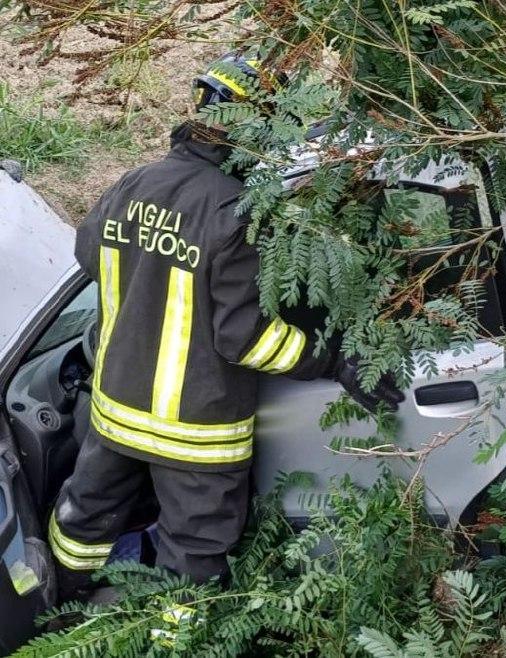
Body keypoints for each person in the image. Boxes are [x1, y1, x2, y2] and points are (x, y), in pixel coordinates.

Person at [48, 53, 404, 600]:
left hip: (116, 411)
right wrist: (334, 357)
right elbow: (247, 338)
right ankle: (170, 639)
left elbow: (91, 256)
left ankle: (64, 611)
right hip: (196, 434)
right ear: (252, 129)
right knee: (193, 555)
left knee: (84, 519)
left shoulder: (133, 182)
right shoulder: (234, 211)